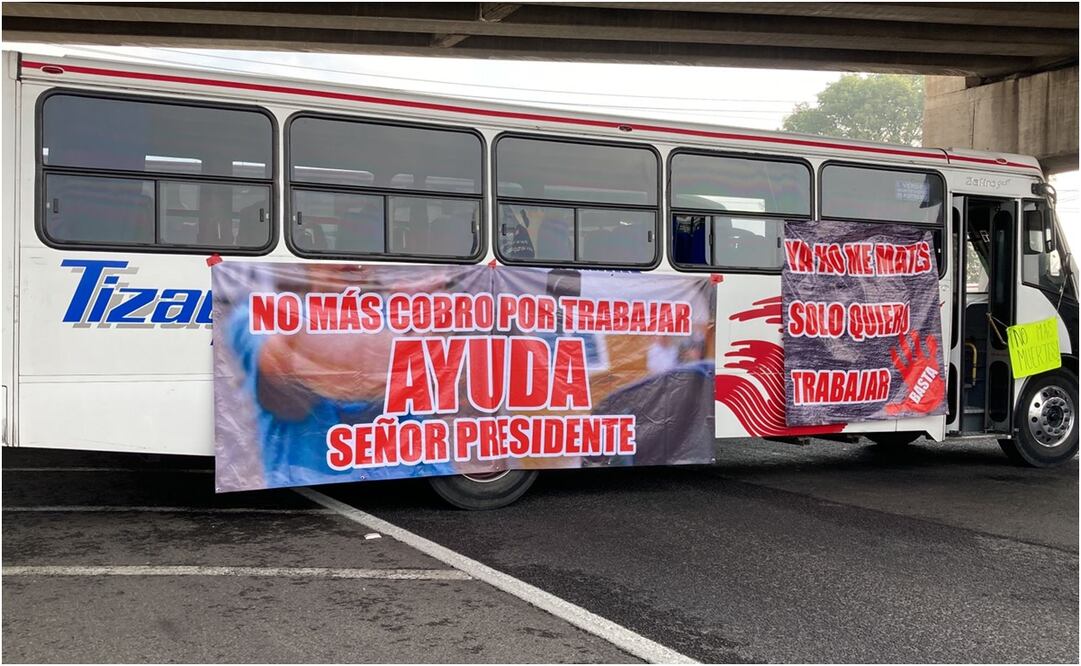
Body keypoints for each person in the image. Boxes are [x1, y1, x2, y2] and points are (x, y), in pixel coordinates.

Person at [225, 263, 456, 488]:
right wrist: (417, 326)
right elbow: (295, 365)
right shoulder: (257, 315)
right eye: (336, 248)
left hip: (417, 477)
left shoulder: (396, 311)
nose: (352, 261)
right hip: (318, 494)